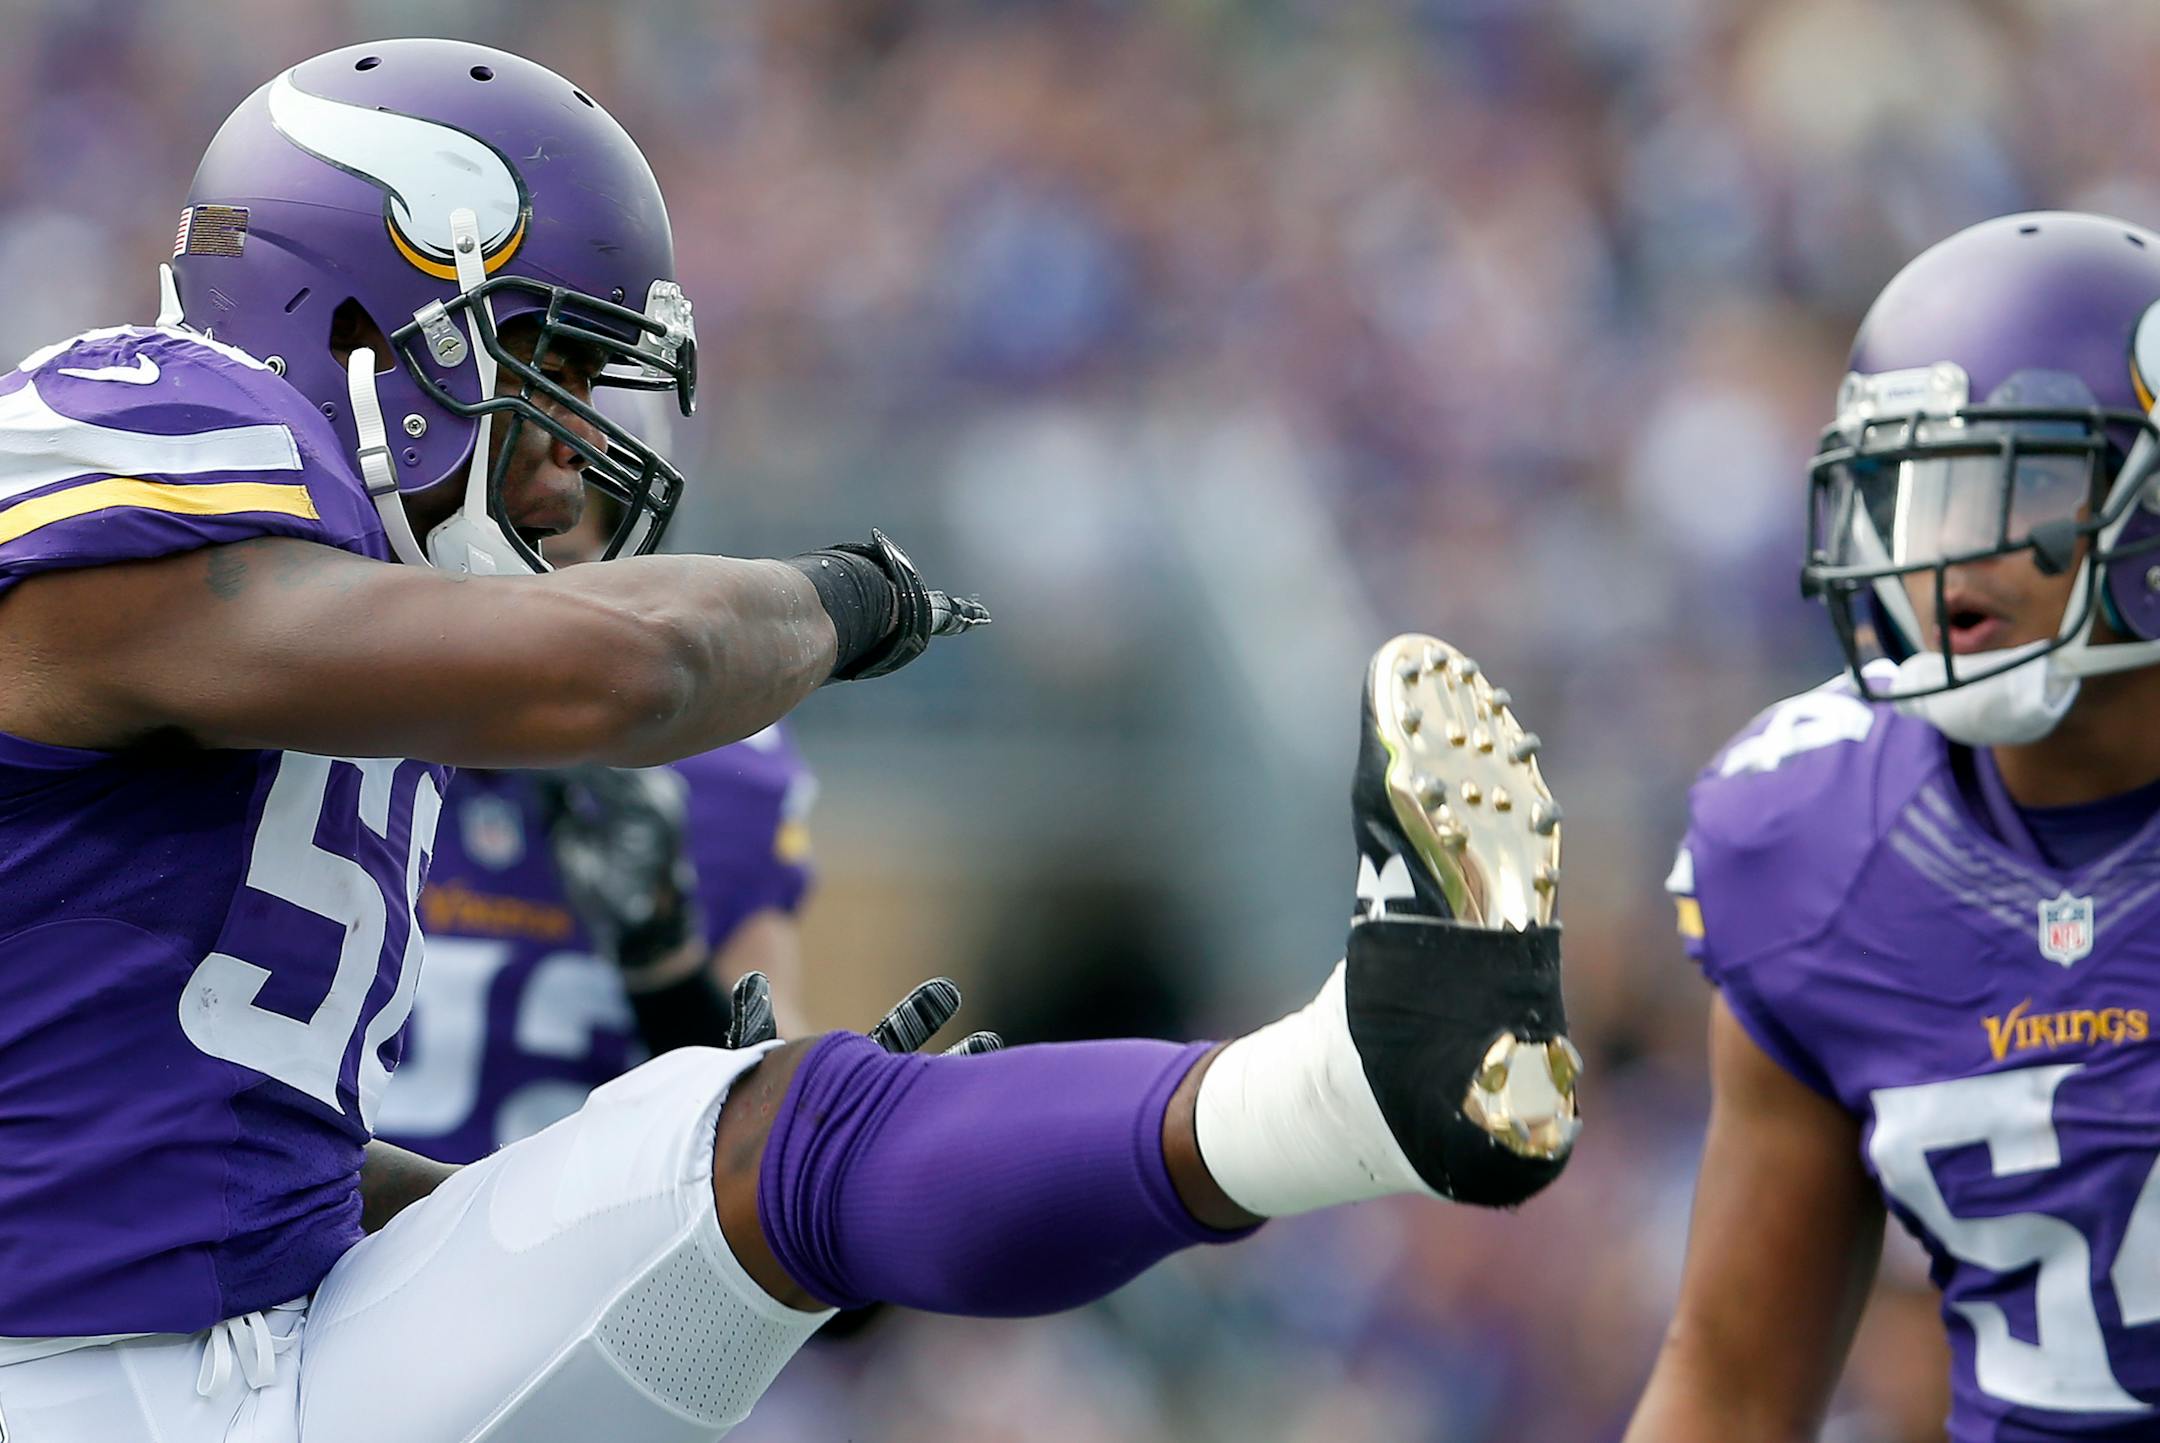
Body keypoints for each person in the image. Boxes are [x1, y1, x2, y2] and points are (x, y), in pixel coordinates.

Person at [0, 39, 1579, 1443]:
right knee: (772, 1145)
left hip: (227, 1346)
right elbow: (638, 669)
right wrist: (853, 598)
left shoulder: (343, 625)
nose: (569, 456)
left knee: (784, 1141)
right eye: (548, 367)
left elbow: (218, 1163)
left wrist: (693, 1199)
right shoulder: (148, 444)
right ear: (367, 314)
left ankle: (1359, 1083)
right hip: (65, 1376)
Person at [1631, 210, 2160, 1441]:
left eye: (2014, 482)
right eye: (1913, 494)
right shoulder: (1810, 847)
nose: (1945, 558)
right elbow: (1731, 1392)